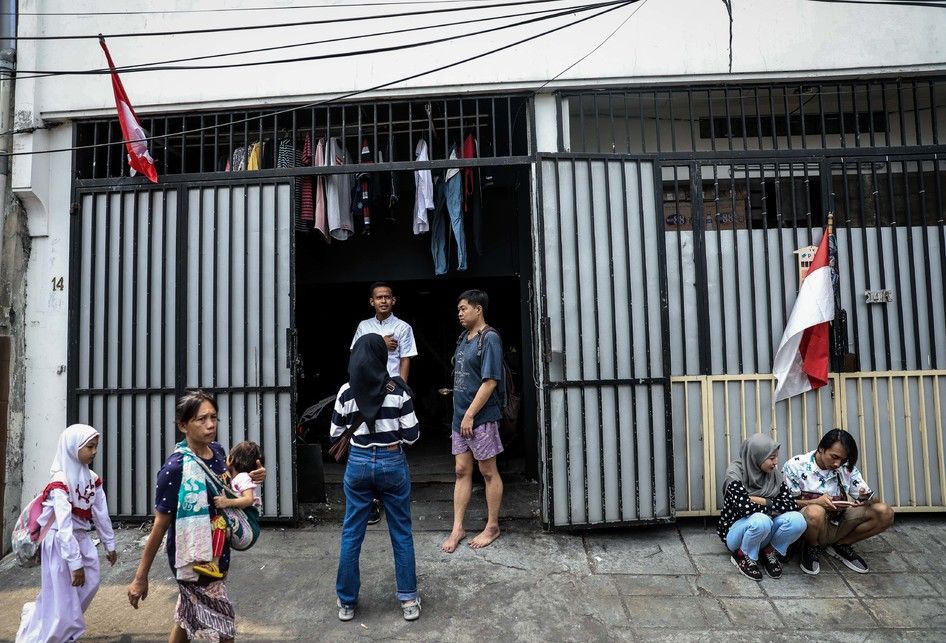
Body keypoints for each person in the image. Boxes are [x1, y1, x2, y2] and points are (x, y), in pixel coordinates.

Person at [126, 391, 266, 643]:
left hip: (218, 551)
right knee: (223, 627)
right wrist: (140, 577)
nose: (210, 425)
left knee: (186, 616)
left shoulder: (219, 452)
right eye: (202, 419)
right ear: (183, 425)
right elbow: (160, 524)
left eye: (214, 417)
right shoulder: (175, 469)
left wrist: (255, 477)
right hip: (195, 558)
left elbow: (233, 485)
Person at [331, 334, 421, 622]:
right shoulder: (398, 390)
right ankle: (408, 601)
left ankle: (346, 603)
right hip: (392, 462)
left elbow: (335, 434)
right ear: (383, 357)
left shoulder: (346, 390)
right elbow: (412, 435)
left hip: (357, 464)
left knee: (351, 533)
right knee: (401, 532)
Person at [17, 424, 118, 642]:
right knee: (62, 594)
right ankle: (54, 635)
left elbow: (101, 513)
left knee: (89, 582)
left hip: (80, 538)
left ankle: (45, 617)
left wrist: (109, 544)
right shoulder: (59, 481)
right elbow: (63, 526)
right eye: (89, 447)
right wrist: (74, 563)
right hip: (59, 542)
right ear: (72, 448)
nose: (94, 452)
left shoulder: (92, 478)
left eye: (95, 447)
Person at [441, 289, 505, 553]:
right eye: (458, 309)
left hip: (480, 418)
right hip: (460, 419)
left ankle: (492, 526)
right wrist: (460, 416)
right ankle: (458, 527)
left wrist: (470, 414)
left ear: (478, 309)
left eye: (464, 308)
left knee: (488, 472)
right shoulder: (463, 339)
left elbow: (490, 381)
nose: (460, 313)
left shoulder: (489, 338)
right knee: (461, 471)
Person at [782, 428, 895, 575]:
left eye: (843, 460)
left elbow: (870, 499)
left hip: (839, 520)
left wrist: (864, 498)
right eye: (834, 457)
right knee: (815, 512)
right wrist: (815, 502)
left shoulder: (845, 467)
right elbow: (786, 504)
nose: (837, 464)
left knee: (884, 512)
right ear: (821, 449)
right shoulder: (796, 466)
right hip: (811, 524)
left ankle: (841, 545)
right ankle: (811, 547)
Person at [351, 281, 418, 525]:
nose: (383, 300)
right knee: (366, 439)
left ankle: (390, 493)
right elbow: (357, 352)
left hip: (391, 391)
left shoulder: (403, 327)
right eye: (379, 297)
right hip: (366, 391)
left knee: (394, 440)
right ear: (372, 301)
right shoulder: (363, 326)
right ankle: (371, 501)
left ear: (394, 300)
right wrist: (380, 341)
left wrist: (403, 390)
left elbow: (405, 359)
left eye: (387, 297)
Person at [716, 433, 806, 581]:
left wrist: (764, 502)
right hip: (738, 534)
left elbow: (791, 505)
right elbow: (745, 509)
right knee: (760, 519)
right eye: (771, 458)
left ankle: (768, 551)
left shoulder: (774, 476)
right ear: (756, 456)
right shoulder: (735, 474)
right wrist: (775, 507)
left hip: (765, 529)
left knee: (798, 520)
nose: (776, 462)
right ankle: (742, 556)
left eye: (776, 457)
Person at [193, 441, 264, 580]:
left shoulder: (242, 477)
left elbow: (248, 499)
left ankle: (214, 563)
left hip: (248, 525)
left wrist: (227, 502)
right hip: (242, 525)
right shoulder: (235, 478)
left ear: (230, 460)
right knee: (218, 524)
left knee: (218, 523)